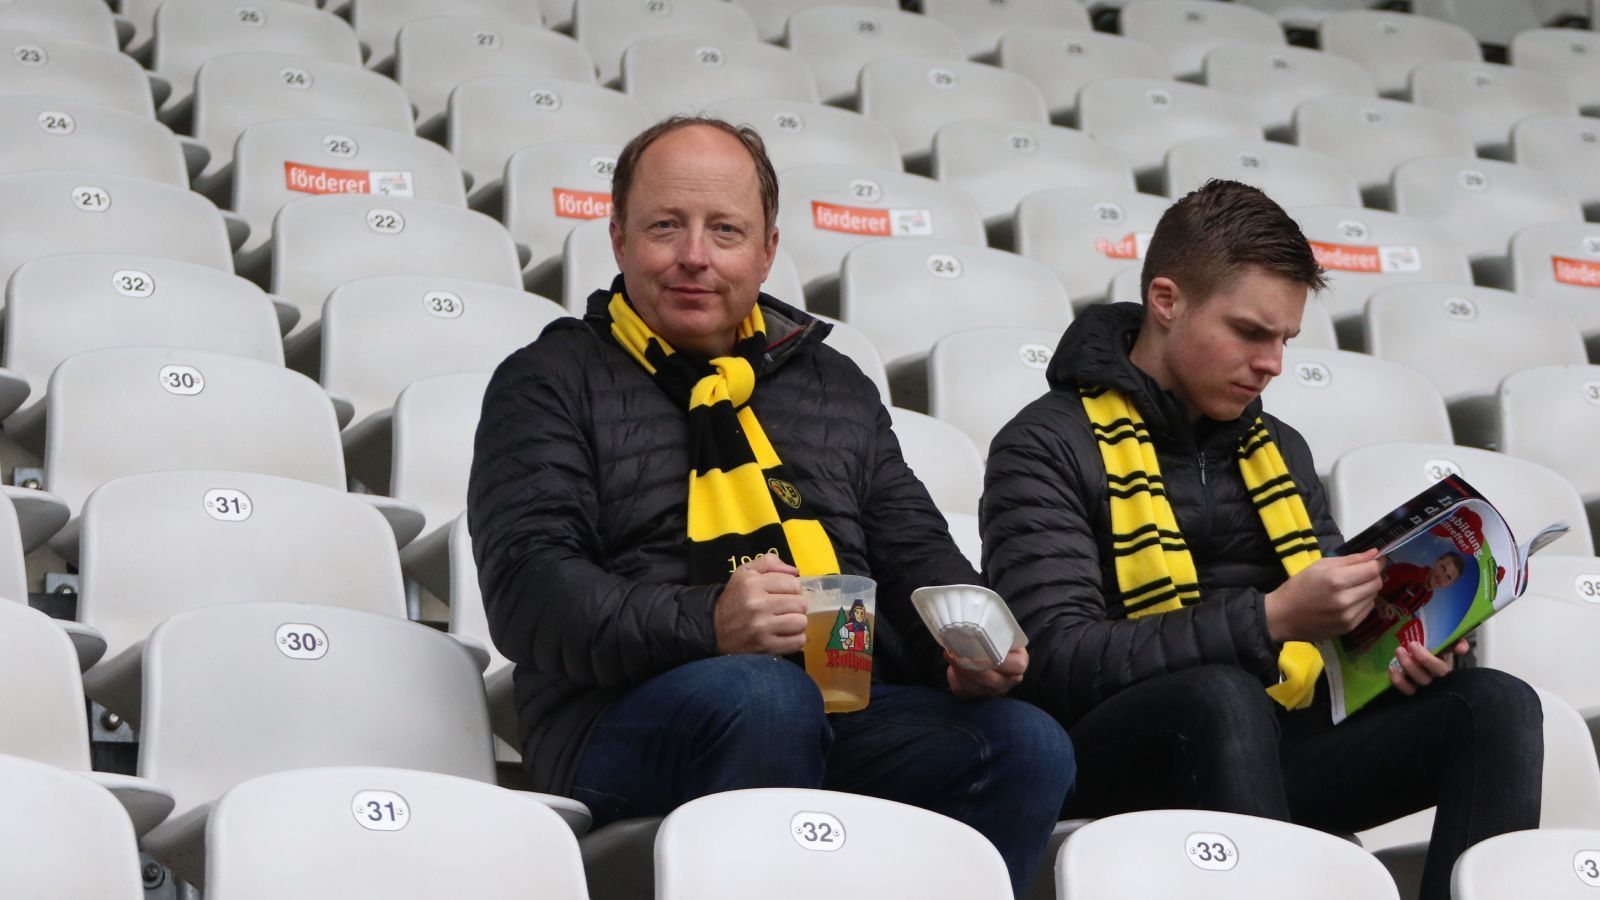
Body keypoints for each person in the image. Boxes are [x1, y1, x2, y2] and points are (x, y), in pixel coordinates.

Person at [468, 116, 1073, 896]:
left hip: (841, 697)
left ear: (767, 250)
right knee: (763, 693)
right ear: (617, 239)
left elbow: (916, 549)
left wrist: (961, 647)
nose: (695, 256)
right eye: (665, 227)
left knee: (1025, 741)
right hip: (615, 720)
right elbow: (529, 597)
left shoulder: (834, 383)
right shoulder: (547, 378)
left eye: (725, 231)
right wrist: (710, 621)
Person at [981, 179, 1542, 900]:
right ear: (1166, 300)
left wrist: (1403, 646)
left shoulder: (1282, 447)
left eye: (1285, 339)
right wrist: (1271, 618)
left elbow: (1333, 640)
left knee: (1495, 707)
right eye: (1250, 332)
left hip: (1271, 742)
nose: (1273, 363)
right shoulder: (1043, 443)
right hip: (1116, 749)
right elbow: (1054, 660)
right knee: (1220, 696)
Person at [1345, 551, 1467, 653]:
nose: (1442, 576)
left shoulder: (1428, 596)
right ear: (1436, 561)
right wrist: (1382, 605)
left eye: (1448, 577)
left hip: (1361, 640)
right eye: (1443, 568)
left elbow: (1395, 618)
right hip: (1348, 624)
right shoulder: (1405, 572)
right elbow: (1367, 590)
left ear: (1449, 584)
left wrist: (1372, 640)